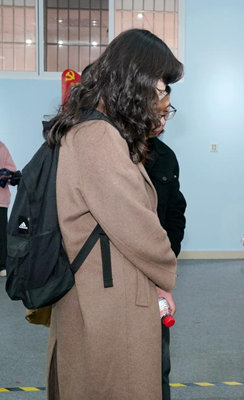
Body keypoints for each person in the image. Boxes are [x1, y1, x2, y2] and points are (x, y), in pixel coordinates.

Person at [44, 29, 183, 399]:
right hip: (106, 299)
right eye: (160, 85)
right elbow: (136, 224)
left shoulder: (97, 128)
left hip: (105, 288)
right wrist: (166, 272)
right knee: (115, 385)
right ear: (137, 80)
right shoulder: (98, 136)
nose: (162, 95)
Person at [145, 85, 187, 400]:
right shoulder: (114, 153)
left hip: (155, 270)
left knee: (158, 362)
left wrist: (165, 268)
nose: (163, 120)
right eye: (158, 112)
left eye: (167, 113)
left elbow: (175, 214)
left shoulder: (166, 157)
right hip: (116, 276)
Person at [0, 141, 18, 277]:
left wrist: (7, 175)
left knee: (1, 233)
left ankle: (2, 265)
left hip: (0, 200)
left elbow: (12, 173)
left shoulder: (2, 148)